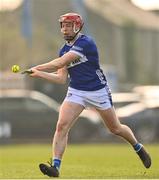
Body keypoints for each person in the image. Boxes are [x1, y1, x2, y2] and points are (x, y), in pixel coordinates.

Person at [30, 12, 151, 177]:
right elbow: (61, 78)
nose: (65, 29)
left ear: (77, 26)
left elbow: (60, 63)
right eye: (63, 26)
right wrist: (38, 74)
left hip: (98, 90)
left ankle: (138, 147)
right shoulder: (64, 49)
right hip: (77, 91)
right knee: (61, 125)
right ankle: (56, 167)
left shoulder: (86, 43)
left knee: (115, 128)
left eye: (68, 26)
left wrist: (37, 67)